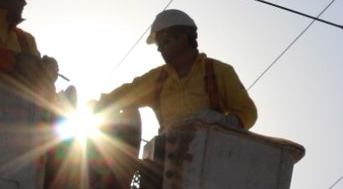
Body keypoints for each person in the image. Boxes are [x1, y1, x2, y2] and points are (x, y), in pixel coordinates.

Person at [95, 9, 257, 131]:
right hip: (167, 162)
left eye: (164, 42)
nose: (160, 50)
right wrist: (98, 104)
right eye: (158, 45)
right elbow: (126, 94)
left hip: (210, 158)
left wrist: (225, 121)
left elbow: (248, 111)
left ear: (183, 38)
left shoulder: (218, 71)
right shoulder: (158, 78)